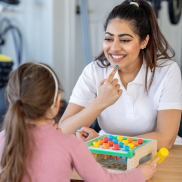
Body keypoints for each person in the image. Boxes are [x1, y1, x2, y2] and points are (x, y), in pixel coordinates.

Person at [0, 62, 156, 182]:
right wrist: (140, 174)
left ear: (9, 100)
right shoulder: (70, 144)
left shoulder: (3, 139)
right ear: (57, 103)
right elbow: (105, 180)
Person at [58, 0, 182, 150]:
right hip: (109, 155)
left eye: (124, 40)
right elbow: (63, 133)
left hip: (160, 155)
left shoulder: (167, 71)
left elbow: (165, 138)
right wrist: (100, 103)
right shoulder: (93, 71)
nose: (114, 48)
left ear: (144, 41)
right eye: (109, 39)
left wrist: (106, 143)